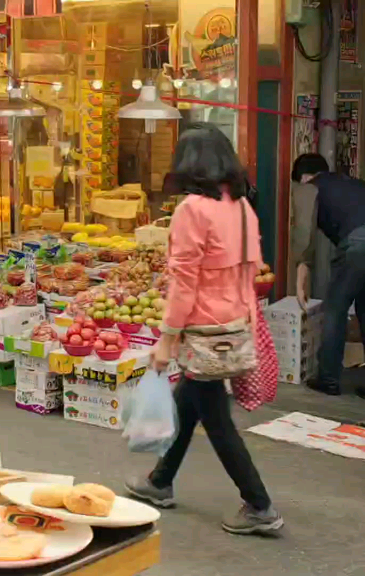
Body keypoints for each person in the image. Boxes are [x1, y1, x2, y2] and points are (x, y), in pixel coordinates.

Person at [124, 125, 282, 536]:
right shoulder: (242, 207)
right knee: (190, 402)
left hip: (203, 328)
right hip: (234, 321)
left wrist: (166, 338)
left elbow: (185, 282)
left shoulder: (193, 209)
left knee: (215, 418)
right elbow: (250, 270)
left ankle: (259, 503)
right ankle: (160, 481)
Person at [290, 153, 365, 406]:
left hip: (361, 243)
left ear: (305, 177)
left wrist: (301, 271)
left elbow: (303, 233)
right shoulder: (355, 184)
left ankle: (329, 378)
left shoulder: (309, 187)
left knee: (336, 307)